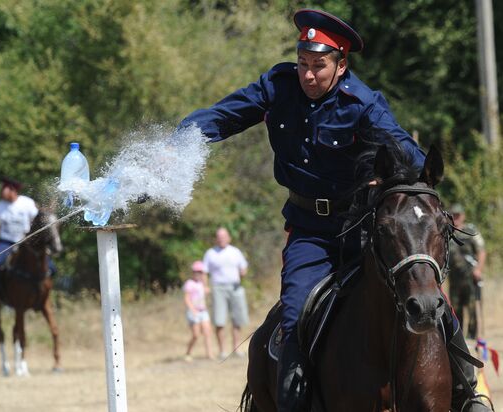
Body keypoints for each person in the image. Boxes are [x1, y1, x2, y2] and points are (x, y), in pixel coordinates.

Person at [177, 8, 491, 411]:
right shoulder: (277, 85)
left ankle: (469, 395)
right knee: (294, 313)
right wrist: (178, 143)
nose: (308, 75)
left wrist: (416, 175)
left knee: (428, 296)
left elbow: (403, 149)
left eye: (319, 66)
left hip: (363, 228)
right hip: (309, 232)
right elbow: (224, 116)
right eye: (303, 63)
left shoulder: (363, 103)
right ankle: (292, 401)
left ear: (341, 65)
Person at [0, 177, 39, 312]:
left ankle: (39, 298)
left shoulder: (27, 203)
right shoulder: (1, 205)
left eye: (4, 188)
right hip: (6, 243)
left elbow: (38, 222)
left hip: (25, 244)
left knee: (49, 267)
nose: (2, 191)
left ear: (12, 190)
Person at [202, 227, 249, 360]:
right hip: (218, 288)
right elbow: (204, 271)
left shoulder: (235, 252)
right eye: (219, 236)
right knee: (220, 320)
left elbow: (243, 266)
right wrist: (205, 286)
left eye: (224, 236)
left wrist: (243, 272)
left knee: (237, 319)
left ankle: (237, 348)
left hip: (235, 287)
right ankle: (222, 351)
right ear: (216, 239)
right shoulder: (210, 253)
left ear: (229, 238)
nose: (222, 239)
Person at [448, 203, 487, 339]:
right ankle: (459, 339)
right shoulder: (447, 231)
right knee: (455, 311)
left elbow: (481, 251)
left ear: (463, 216)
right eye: (453, 215)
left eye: (458, 215)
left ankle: (473, 340)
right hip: (454, 280)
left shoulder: (471, 230)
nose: (456, 218)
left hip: (471, 278)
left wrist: (478, 270)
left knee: (472, 311)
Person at [183, 260, 214, 361]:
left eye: (201, 272)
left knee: (207, 332)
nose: (199, 274)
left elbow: (207, 290)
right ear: (193, 272)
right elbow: (187, 298)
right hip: (194, 311)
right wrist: (193, 310)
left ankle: (209, 354)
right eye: (197, 272)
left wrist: (205, 278)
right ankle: (188, 352)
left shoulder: (202, 284)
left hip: (203, 311)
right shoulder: (189, 283)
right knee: (196, 335)